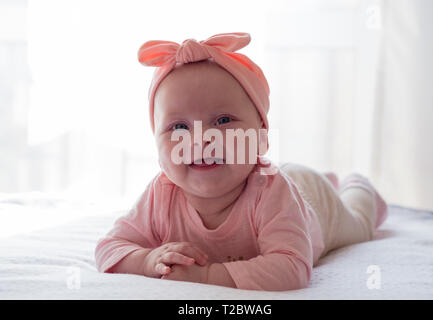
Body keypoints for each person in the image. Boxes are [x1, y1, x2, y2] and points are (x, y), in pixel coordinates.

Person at [94, 32, 387, 291]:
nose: (200, 139)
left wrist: (208, 276)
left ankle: (357, 185)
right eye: (179, 127)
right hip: (291, 181)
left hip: (317, 204)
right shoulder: (162, 193)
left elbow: (292, 268)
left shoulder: (271, 192)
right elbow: (108, 248)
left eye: (222, 120)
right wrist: (146, 260)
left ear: (260, 136)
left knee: (361, 224)